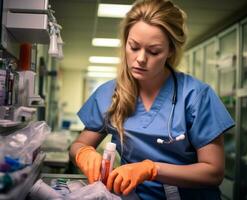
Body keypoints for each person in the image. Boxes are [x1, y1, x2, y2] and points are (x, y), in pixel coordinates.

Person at [69, 0, 235, 199]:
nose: (140, 58)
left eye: (154, 51)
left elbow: (214, 172)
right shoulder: (109, 94)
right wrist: (84, 154)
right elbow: (78, 145)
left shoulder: (196, 96)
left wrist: (152, 169)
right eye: (133, 47)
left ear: (170, 51)